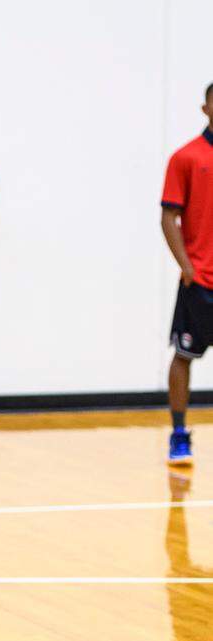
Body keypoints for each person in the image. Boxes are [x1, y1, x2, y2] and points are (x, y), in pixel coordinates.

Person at [160, 81, 213, 466]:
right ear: (205, 108)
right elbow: (168, 216)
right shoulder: (187, 157)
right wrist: (186, 265)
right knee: (184, 355)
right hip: (201, 284)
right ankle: (179, 434)